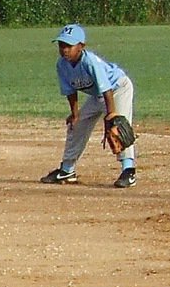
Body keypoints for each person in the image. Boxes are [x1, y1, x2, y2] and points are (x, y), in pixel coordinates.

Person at [40, 23, 137, 189]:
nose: (64, 50)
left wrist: (112, 114)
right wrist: (75, 113)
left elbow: (106, 88)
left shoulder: (90, 62)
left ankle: (129, 170)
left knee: (119, 127)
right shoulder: (61, 65)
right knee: (76, 126)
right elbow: (70, 91)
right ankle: (67, 170)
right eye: (61, 45)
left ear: (81, 46)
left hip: (117, 88)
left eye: (69, 46)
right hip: (98, 94)